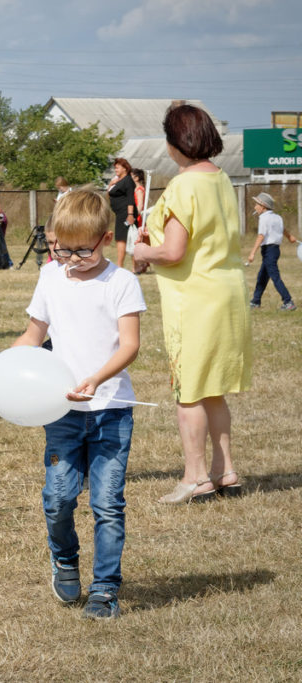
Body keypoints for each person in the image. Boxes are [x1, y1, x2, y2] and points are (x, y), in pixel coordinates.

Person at [0, 189, 146, 619]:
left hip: (111, 410)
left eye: (82, 251)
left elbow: (130, 345)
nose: (71, 259)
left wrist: (97, 379)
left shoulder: (122, 283)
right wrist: (1, 366)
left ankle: (105, 589)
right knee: (58, 498)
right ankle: (65, 557)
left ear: (105, 238)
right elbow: (33, 335)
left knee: (108, 505)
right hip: (63, 413)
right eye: (62, 249)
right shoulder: (51, 277)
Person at [132, 103, 251, 504]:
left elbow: (174, 252)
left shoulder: (183, 186)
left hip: (195, 298)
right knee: (213, 388)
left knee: (189, 392)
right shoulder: (221, 179)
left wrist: (142, 252)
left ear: (175, 143)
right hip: (227, 293)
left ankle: (195, 477)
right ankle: (225, 470)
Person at [246, 192, 297, 310]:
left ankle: (288, 302)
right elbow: (283, 229)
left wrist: (252, 253)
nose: (255, 207)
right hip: (275, 250)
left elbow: (261, 236)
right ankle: (256, 301)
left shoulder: (263, 218)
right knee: (262, 277)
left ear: (263, 206)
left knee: (275, 277)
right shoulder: (277, 217)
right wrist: (289, 237)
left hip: (269, 251)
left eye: (257, 204)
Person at [106, 158, 136, 269]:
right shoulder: (117, 180)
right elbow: (109, 194)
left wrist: (130, 215)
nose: (115, 170)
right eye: (115, 168)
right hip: (119, 213)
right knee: (121, 238)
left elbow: (130, 199)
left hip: (126, 214)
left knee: (122, 238)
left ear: (124, 168)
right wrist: (111, 184)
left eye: (117, 167)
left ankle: (123, 266)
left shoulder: (128, 181)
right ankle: (128, 266)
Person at [130, 169, 150, 274]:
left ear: (136, 178)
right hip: (137, 217)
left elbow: (140, 205)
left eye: (131, 176)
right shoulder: (135, 189)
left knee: (137, 241)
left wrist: (133, 215)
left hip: (138, 218)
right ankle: (142, 265)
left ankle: (139, 265)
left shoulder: (139, 190)